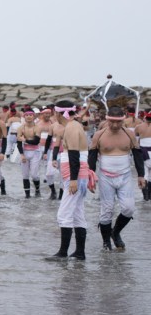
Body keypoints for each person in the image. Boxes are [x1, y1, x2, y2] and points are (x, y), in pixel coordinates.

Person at [88, 106, 146, 251]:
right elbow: (92, 157)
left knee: (129, 208)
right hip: (106, 176)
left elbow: (138, 154)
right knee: (107, 210)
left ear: (123, 119)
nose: (114, 125)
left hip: (125, 176)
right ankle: (106, 242)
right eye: (112, 121)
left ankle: (116, 232)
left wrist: (141, 175)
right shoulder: (99, 135)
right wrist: (90, 176)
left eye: (118, 122)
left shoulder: (129, 134)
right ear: (107, 119)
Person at [46, 100, 92, 261]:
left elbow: (74, 155)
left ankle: (63, 253)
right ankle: (80, 253)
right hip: (77, 176)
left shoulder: (72, 127)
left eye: (54, 112)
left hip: (75, 176)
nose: (53, 115)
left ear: (59, 113)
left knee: (63, 215)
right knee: (78, 215)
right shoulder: (75, 125)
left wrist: (73, 180)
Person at [16, 107, 45, 198]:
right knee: (25, 175)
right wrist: (21, 155)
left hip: (35, 152)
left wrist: (25, 140)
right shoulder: (21, 128)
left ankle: (37, 190)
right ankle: (27, 196)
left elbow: (36, 141)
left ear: (34, 116)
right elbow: (19, 143)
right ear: (24, 117)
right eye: (27, 115)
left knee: (34, 175)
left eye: (30, 115)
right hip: (25, 152)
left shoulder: (37, 127)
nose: (29, 117)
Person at [136, 109, 151, 201]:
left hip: (143, 151)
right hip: (147, 150)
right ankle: (149, 196)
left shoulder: (138, 127)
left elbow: (136, 141)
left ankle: (145, 197)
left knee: (144, 174)